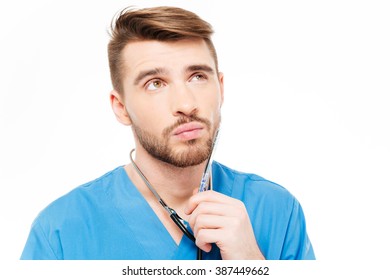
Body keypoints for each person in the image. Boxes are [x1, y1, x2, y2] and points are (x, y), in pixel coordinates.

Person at [20, 6, 315, 260]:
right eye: (155, 83)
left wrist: (253, 267)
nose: (186, 104)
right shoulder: (60, 232)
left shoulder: (278, 211)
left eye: (198, 76)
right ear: (121, 107)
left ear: (221, 88)